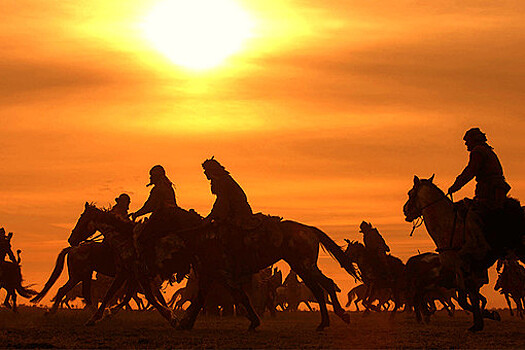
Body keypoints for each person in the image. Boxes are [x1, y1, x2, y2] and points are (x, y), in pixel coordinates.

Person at [130, 165, 178, 274]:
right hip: (171, 217)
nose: (150, 178)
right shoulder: (168, 186)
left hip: (162, 218)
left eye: (151, 176)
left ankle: (149, 264)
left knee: (141, 236)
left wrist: (137, 214)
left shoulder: (158, 189)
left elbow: (149, 206)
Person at [447, 128, 511, 209]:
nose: (466, 144)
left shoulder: (478, 151)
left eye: (468, 141)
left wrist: (455, 186)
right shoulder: (487, 151)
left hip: (489, 191)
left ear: (474, 140)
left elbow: (470, 171)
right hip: (496, 190)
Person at [201, 157, 253, 228]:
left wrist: (210, 217)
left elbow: (222, 201)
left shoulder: (222, 181)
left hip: (238, 213)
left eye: (206, 170)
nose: (205, 173)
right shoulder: (221, 180)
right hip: (232, 212)